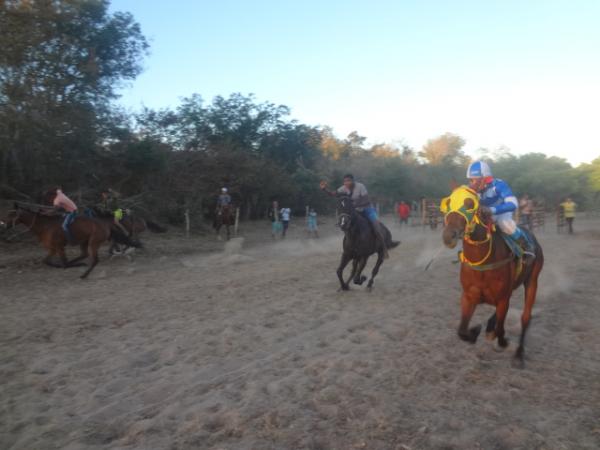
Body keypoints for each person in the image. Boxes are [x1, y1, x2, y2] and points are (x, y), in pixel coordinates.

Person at [466, 161, 536, 261]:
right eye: (471, 180)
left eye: (474, 180)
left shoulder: (499, 185)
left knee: (503, 223)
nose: (472, 183)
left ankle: (527, 246)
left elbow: (513, 204)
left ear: (484, 178)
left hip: (502, 212)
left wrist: (492, 210)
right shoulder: (473, 190)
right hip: (486, 214)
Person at [320, 174, 389, 258]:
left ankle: (384, 248)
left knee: (376, 226)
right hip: (355, 211)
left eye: (348, 181)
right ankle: (351, 247)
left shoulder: (360, 186)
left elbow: (366, 200)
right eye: (345, 181)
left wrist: (353, 205)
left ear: (353, 181)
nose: (346, 183)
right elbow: (333, 194)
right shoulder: (343, 188)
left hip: (367, 209)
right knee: (346, 223)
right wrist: (324, 189)